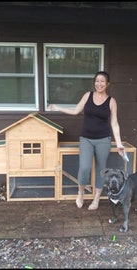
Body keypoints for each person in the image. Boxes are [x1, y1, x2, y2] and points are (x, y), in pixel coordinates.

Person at [49, 71, 125, 210]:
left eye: (102, 81)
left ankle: (96, 200)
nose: (99, 83)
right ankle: (81, 193)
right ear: (94, 82)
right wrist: (58, 107)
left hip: (103, 140)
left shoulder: (111, 101)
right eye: (97, 81)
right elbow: (75, 111)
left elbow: (114, 123)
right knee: (84, 168)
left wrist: (119, 143)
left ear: (107, 84)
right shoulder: (87, 96)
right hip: (86, 139)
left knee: (101, 169)